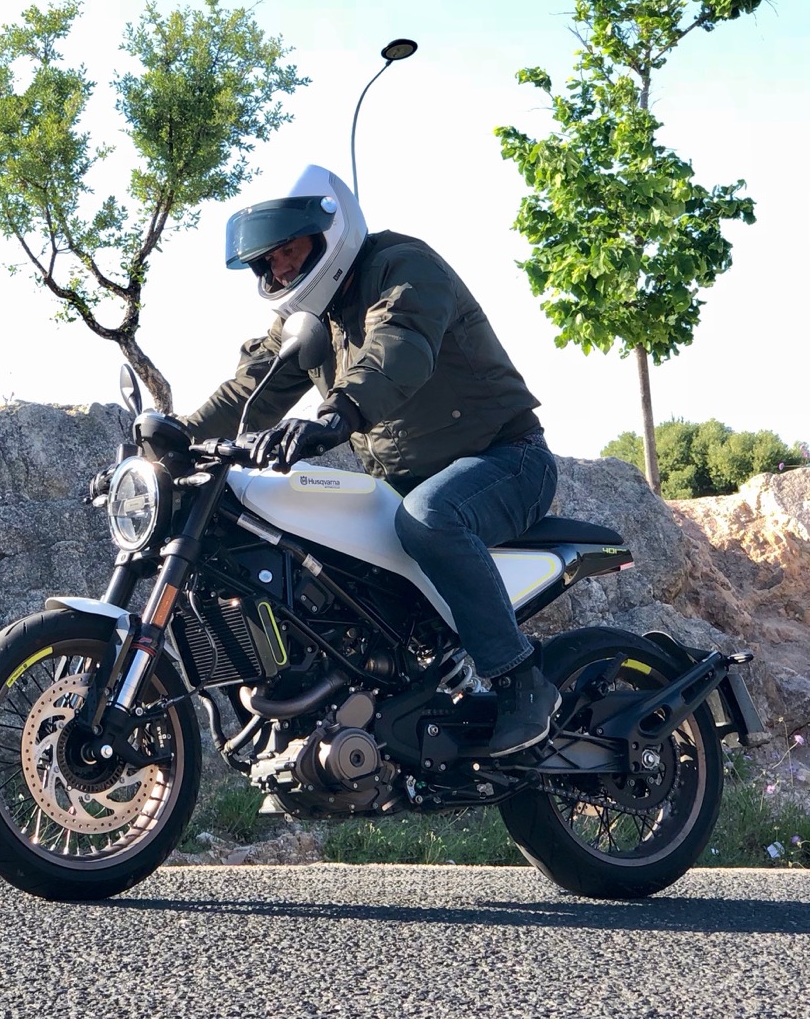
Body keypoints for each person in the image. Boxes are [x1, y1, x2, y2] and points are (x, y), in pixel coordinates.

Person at [180, 165, 561, 755]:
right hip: (404, 483)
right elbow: (249, 391)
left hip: (506, 460)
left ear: (329, 233)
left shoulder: (403, 267)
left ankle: (521, 680)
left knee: (430, 519)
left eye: (288, 251)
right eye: (268, 261)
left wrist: (336, 414)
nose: (279, 269)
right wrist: (174, 438)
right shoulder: (304, 320)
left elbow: (398, 349)